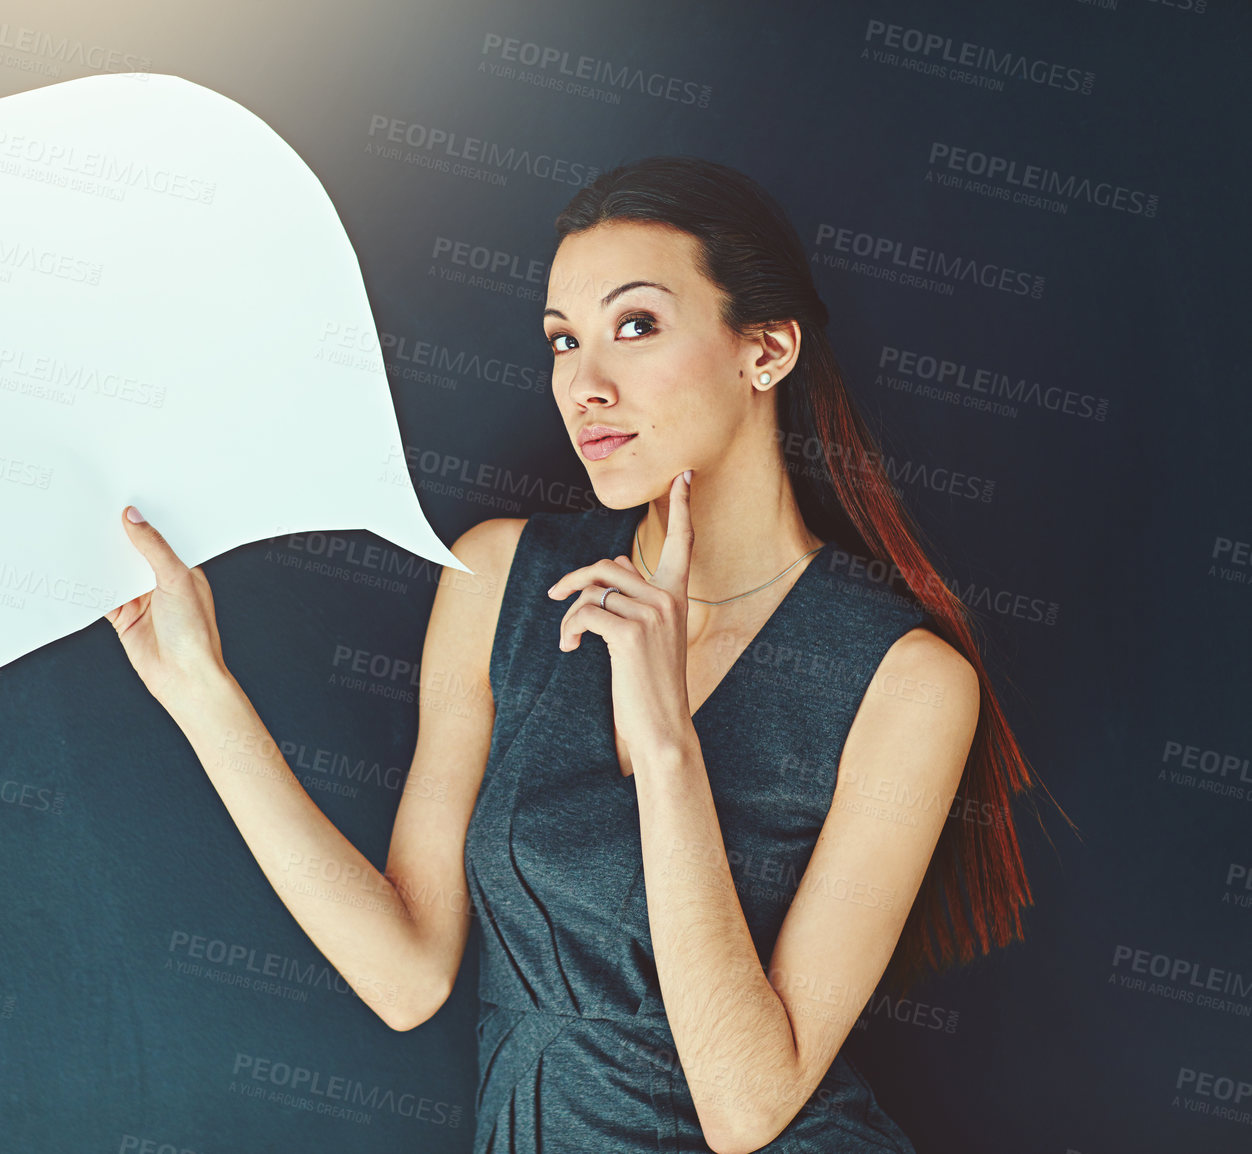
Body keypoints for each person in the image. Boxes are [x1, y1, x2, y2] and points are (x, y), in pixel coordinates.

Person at [103, 156, 1064, 1153]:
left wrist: (665, 747)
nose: (584, 384)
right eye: (563, 340)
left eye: (635, 327)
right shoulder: (498, 576)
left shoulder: (905, 681)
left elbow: (747, 1107)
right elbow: (405, 976)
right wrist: (202, 691)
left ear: (765, 350)